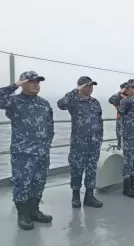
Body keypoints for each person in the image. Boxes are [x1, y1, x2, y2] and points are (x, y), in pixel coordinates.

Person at [0, 71, 54, 230]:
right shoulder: (14, 102)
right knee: (22, 184)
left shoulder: (44, 103)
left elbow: (49, 125)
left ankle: (34, 211)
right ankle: (23, 215)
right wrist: (14, 85)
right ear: (23, 84)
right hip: (22, 153)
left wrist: (47, 145)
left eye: (39, 81)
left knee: (39, 182)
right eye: (32, 81)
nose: (37, 84)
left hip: (42, 152)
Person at [57, 76, 103, 209]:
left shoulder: (95, 102)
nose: (90, 88)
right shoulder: (73, 101)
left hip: (94, 142)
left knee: (91, 169)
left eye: (91, 86)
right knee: (76, 169)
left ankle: (89, 196)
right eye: (86, 86)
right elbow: (61, 104)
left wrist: (100, 138)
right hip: (79, 142)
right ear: (80, 86)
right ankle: (75, 196)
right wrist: (76, 90)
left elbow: (99, 121)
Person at [109, 79, 134, 198]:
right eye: (133, 88)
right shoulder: (125, 101)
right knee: (128, 161)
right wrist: (125, 91)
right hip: (130, 136)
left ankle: (133, 184)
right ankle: (126, 187)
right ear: (127, 90)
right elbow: (112, 100)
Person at [113, 82, 127, 150]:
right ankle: (119, 149)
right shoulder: (119, 98)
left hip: (123, 118)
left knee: (121, 137)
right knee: (120, 137)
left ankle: (120, 148)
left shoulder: (128, 98)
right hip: (120, 118)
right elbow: (113, 101)